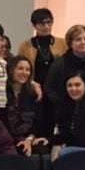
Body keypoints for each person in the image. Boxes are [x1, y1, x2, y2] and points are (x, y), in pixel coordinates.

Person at [17, 8, 67, 138]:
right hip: (34, 89)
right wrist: (32, 84)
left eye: (49, 22)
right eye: (41, 23)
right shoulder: (25, 45)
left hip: (56, 89)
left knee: (54, 123)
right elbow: (19, 69)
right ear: (34, 25)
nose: (46, 26)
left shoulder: (62, 43)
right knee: (35, 124)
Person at [5, 56, 48, 156]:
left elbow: (39, 122)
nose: (24, 72)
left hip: (30, 137)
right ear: (11, 70)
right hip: (7, 139)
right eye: (20, 68)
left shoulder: (35, 94)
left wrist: (29, 140)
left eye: (27, 69)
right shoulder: (2, 93)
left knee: (42, 150)